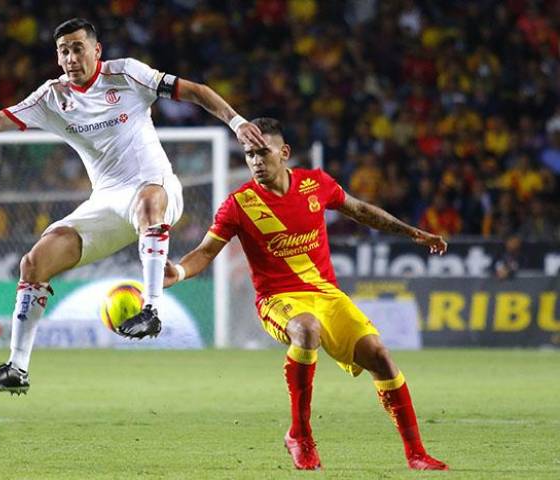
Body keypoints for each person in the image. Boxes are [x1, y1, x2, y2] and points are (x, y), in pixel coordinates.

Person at [0, 18, 265, 395]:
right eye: (64, 51)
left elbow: (197, 92)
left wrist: (237, 123)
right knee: (34, 263)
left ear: (96, 50)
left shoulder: (128, 74)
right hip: (105, 202)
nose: (71, 57)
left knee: (148, 201)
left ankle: (151, 309)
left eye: (78, 48)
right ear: (58, 58)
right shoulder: (51, 97)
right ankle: (17, 368)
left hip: (157, 186)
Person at [163, 118, 449, 471]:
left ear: (284, 152)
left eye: (263, 152)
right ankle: (300, 435)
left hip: (327, 295)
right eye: (249, 154)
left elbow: (360, 210)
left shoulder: (316, 184)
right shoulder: (239, 204)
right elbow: (206, 251)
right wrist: (178, 272)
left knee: (379, 356)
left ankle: (416, 454)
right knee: (307, 329)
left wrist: (412, 232)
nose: (256, 161)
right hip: (278, 300)